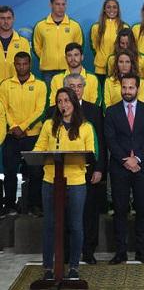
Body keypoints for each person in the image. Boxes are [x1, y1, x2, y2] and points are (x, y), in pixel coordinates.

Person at [34, 87, 96, 281]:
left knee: (76, 225)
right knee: (50, 225)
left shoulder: (85, 126)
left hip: (76, 182)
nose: (63, 105)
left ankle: (74, 267)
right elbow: (38, 149)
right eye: (60, 101)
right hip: (51, 181)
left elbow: (90, 153)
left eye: (67, 101)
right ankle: (48, 268)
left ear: (74, 103)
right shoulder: (49, 125)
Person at [46, 74, 107, 264]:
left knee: (89, 212)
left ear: (84, 87)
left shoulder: (94, 110)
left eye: (79, 86)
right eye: (71, 86)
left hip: (87, 171)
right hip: (59, 173)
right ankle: (64, 253)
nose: (76, 89)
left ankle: (88, 251)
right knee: (63, 214)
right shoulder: (51, 112)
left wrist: (99, 169)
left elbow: (101, 144)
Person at [105, 74, 144, 265]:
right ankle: (121, 252)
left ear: (138, 88)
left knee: (142, 210)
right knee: (120, 210)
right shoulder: (111, 111)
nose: (127, 91)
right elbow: (110, 139)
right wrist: (126, 160)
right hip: (120, 167)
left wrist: (137, 159)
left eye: (131, 88)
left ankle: (141, 251)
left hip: (143, 167)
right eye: (124, 88)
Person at [0, 51, 46, 216]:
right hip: (12, 135)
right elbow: (3, 109)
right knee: (10, 171)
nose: (22, 67)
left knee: (35, 172)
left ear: (30, 64)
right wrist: (14, 126)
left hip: (33, 136)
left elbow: (40, 110)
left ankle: (35, 205)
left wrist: (24, 127)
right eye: (18, 64)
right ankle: (10, 204)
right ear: (14, 64)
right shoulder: (5, 85)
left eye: (25, 64)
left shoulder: (40, 84)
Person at [33, 0, 83, 85]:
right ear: (50, 5)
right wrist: (47, 57)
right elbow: (37, 46)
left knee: (69, 98)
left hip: (68, 69)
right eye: (57, 4)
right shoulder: (40, 26)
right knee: (50, 98)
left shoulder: (74, 26)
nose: (61, 7)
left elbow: (78, 47)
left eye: (63, 4)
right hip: (48, 71)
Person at [91, 0, 128, 85]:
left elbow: (127, 49)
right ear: (104, 9)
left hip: (118, 69)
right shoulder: (96, 27)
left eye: (114, 7)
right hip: (100, 69)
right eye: (108, 7)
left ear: (118, 10)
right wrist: (101, 58)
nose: (112, 10)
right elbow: (94, 47)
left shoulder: (124, 27)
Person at [0, 5, 31, 82]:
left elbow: (26, 67)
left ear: (13, 19)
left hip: (15, 87)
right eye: (2, 18)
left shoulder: (23, 43)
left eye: (9, 18)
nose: (6, 22)